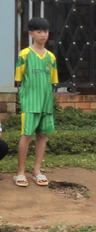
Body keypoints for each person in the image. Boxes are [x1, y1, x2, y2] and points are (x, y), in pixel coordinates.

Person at [14, 17, 58, 187]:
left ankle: (37, 171)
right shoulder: (24, 54)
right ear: (31, 33)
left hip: (46, 102)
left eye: (45, 31)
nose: (43, 35)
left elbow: (52, 81)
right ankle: (20, 173)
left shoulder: (51, 57)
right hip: (30, 102)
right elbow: (19, 79)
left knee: (42, 135)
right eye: (38, 31)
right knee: (26, 135)